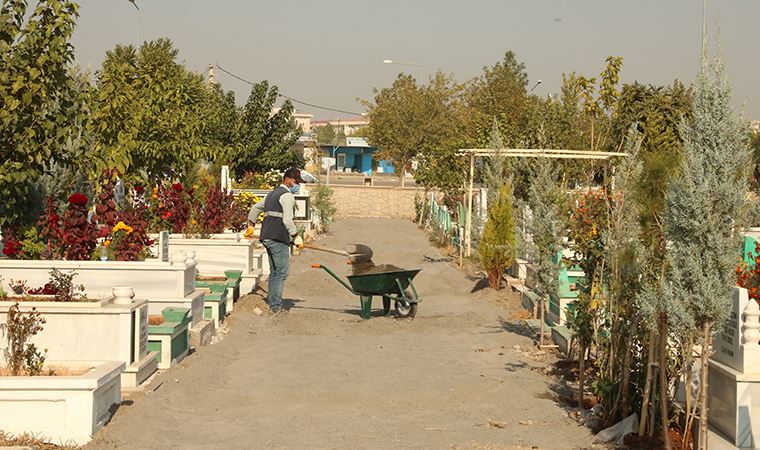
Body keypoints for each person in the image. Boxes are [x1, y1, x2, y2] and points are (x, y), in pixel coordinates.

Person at [248, 168, 304, 315]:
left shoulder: (271, 194)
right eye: (295, 181)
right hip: (278, 237)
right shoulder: (287, 196)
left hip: (266, 236)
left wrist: (250, 226)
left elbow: (255, 208)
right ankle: (276, 306)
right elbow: (287, 220)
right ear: (287, 179)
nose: (297, 185)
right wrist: (296, 235)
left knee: (274, 272)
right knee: (281, 273)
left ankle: (273, 302)